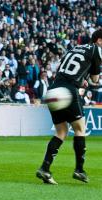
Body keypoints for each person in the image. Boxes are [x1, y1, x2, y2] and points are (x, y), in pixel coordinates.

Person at [36, 29, 102, 185]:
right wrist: (89, 79)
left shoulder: (74, 48)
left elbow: (66, 69)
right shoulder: (96, 50)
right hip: (68, 91)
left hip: (53, 90)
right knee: (80, 129)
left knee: (61, 131)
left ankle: (45, 168)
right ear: (99, 40)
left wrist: (81, 78)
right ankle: (79, 169)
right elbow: (94, 79)